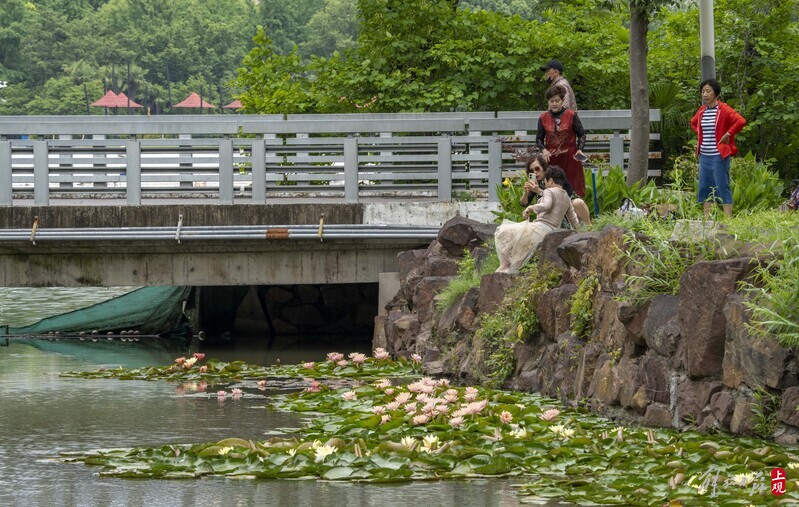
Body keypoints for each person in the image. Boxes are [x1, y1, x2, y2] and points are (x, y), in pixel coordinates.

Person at [495, 165, 580, 273]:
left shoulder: (549, 191)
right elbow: (573, 219)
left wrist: (531, 207)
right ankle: (510, 270)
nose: (544, 184)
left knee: (503, 231)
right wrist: (580, 234)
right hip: (551, 232)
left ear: (551, 181)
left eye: (545, 181)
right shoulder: (567, 198)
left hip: (538, 229)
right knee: (519, 257)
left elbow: (546, 205)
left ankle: (504, 267)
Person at [689, 78, 746, 218]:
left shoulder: (724, 109)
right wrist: (700, 139)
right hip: (704, 155)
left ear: (715, 93)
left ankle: (728, 220)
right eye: (702, 92)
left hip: (718, 155)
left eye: (708, 91)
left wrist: (728, 133)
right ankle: (707, 220)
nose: (705, 94)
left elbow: (741, 121)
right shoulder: (702, 111)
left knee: (722, 186)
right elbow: (693, 123)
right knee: (704, 187)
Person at [536, 85, 587, 197]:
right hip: (552, 159)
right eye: (551, 101)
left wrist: (580, 149)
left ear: (563, 100)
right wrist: (543, 150)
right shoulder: (543, 117)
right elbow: (539, 139)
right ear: (548, 102)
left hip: (570, 158)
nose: (554, 103)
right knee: (553, 189)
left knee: (574, 189)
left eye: (557, 100)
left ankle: (576, 213)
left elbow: (582, 134)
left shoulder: (571, 115)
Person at [520, 153, 591, 226]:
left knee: (577, 202)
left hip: (565, 205)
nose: (535, 172)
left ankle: (589, 227)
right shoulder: (535, 183)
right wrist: (526, 193)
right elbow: (523, 203)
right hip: (547, 215)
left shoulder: (554, 173)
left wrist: (539, 191)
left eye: (537, 169)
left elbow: (566, 193)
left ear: (543, 167)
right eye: (531, 171)